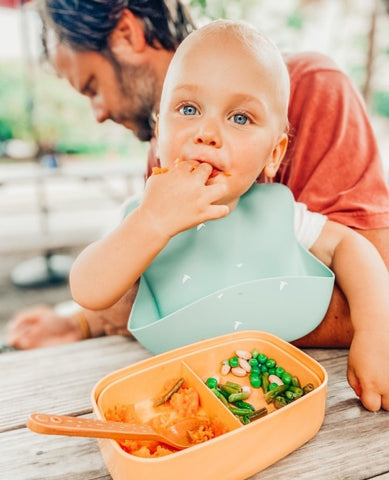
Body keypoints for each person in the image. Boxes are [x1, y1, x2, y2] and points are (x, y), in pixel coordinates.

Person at [6, 0, 389, 350]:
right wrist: (82, 323)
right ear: (161, 129)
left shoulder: (312, 89)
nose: (98, 114)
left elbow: (363, 263)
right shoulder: (163, 174)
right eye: (186, 110)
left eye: (92, 88)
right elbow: (115, 283)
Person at [68, 20, 389, 412]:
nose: (206, 132)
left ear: (275, 152)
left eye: (240, 118)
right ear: (159, 131)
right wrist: (151, 223)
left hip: (273, 396)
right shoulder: (143, 216)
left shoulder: (278, 212)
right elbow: (88, 289)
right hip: (176, 396)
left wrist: (376, 333)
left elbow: (350, 246)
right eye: (188, 109)